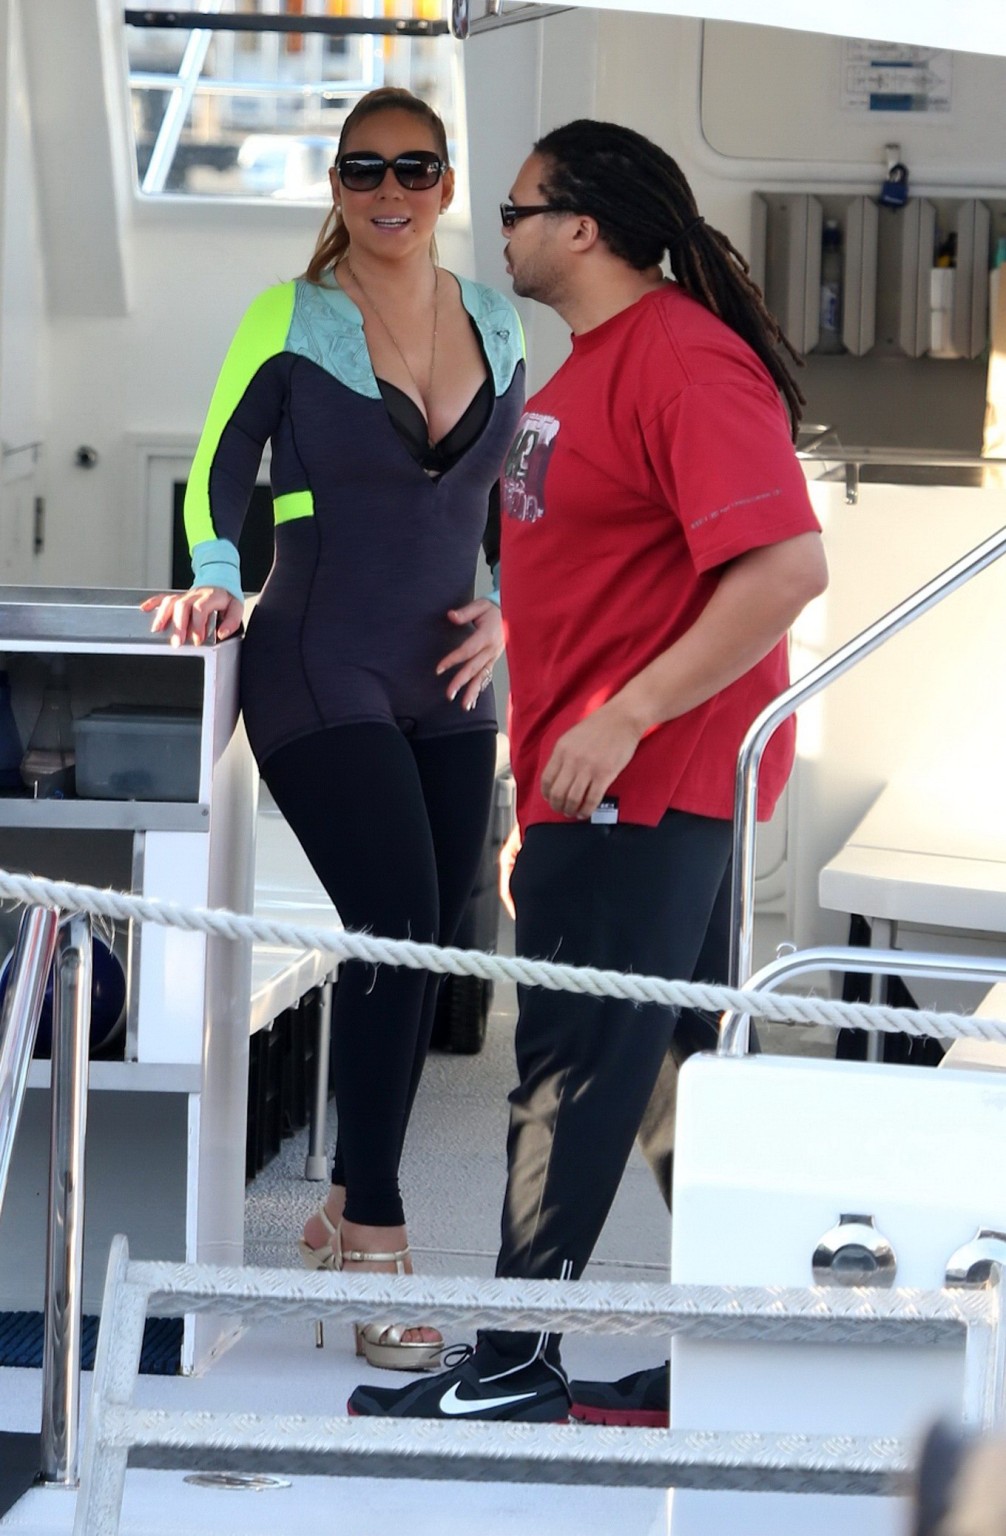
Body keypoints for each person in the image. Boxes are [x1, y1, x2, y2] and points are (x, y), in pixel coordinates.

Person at [347, 117, 827, 1422]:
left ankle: (511, 1363)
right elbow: (594, 567)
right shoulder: (592, 363)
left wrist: (623, 716)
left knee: (566, 1065)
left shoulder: (680, 360)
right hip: (588, 782)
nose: (493, 231)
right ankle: (742, 1350)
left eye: (513, 210)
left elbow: (783, 568)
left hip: (646, 780)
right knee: (671, 1072)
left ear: (583, 226)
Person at [144, 87, 525, 1371]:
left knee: (432, 945)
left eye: (414, 169)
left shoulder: (498, 318)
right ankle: (375, 1234)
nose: (390, 191)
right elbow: (217, 470)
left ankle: (345, 1192)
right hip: (317, 658)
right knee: (397, 923)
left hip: (448, 677)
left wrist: (514, 612)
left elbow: (516, 499)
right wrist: (209, 572)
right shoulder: (290, 316)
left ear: (445, 185)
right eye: (365, 169)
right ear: (337, 183)